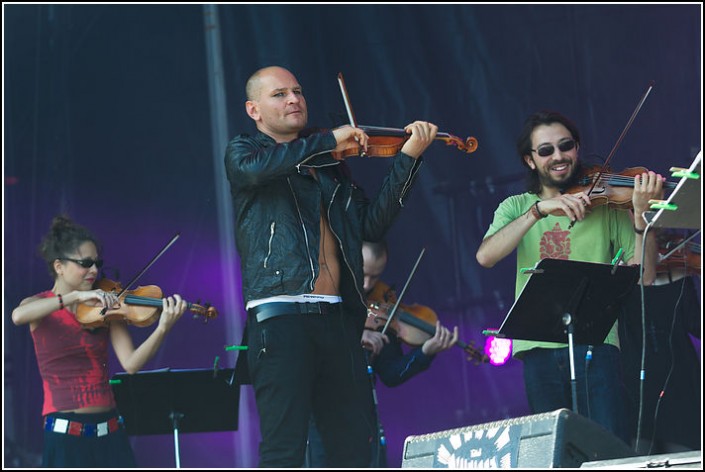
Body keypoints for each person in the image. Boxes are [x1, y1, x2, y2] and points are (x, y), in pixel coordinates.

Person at [223, 65, 438, 467]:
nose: (294, 99)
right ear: (254, 110)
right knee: (284, 450)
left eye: (298, 91)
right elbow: (254, 172)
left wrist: (407, 159)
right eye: (280, 94)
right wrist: (326, 141)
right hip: (281, 316)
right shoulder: (244, 152)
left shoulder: (329, 165)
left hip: (338, 319)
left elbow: (371, 225)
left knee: (353, 448)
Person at [475, 110, 664, 444]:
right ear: (530, 160)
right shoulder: (516, 205)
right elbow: (486, 256)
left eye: (566, 146)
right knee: (555, 452)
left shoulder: (608, 206)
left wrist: (642, 213)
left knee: (606, 448)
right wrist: (539, 211)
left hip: (598, 343)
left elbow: (645, 275)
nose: (558, 156)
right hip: (538, 348)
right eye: (545, 150)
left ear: (577, 149)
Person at [11, 215, 187, 468]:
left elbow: (131, 364)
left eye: (97, 263)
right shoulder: (39, 305)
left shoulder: (105, 305)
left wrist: (163, 327)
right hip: (65, 435)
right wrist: (74, 297)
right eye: (85, 263)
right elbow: (18, 315)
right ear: (59, 266)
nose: (94, 270)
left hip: (111, 431)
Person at [305, 240, 459, 467]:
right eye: (363, 274)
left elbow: (391, 373)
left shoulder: (382, 311)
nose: (367, 285)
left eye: (375, 277)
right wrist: (354, 339)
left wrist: (425, 352)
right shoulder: (324, 297)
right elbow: (309, 345)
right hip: (321, 414)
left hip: (361, 419)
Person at [618, 231, 701, 454]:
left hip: (680, 381)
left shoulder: (680, 271)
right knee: (636, 455)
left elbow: (697, 324)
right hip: (633, 382)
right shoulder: (618, 273)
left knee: (686, 455)